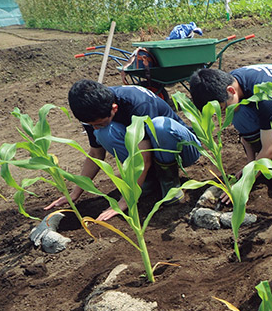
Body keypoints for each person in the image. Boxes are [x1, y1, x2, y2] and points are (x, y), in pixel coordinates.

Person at [45, 80, 200, 221]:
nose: (94, 128)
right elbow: (96, 154)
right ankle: (149, 181)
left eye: (99, 123)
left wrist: (125, 201)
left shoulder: (137, 103)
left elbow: (143, 158)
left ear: (114, 108)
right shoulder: (90, 111)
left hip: (182, 150)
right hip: (149, 154)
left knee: (159, 126)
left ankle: (170, 184)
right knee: (104, 133)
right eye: (91, 124)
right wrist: (75, 193)